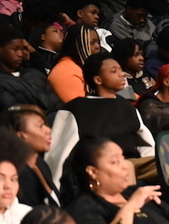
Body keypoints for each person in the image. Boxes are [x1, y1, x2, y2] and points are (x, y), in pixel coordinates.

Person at [47, 53, 157, 188]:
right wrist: (54, 194)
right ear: (98, 80)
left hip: (133, 166)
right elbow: (59, 154)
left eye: (120, 70)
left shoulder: (126, 105)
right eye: (114, 71)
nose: (121, 74)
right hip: (101, 169)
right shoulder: (77, 109)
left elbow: (146, 145)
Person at [0, 26, 61, 113]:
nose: (20, 54)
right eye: (15, 49)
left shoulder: (34, 73)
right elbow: (15, 110)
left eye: (22, 49)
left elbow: (57, 102)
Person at [0, 105, 59, 207]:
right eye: (40, 126)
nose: (48, 130)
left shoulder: (40, 163)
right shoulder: (19, 174)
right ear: (20, 136)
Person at [48, 25, 101, 102]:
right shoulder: (65, 71)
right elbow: (79, 109)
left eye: (98, 42)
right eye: (92, 43)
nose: (98, 46)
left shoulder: (85, 67)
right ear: (77, 45)